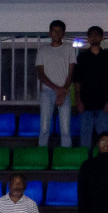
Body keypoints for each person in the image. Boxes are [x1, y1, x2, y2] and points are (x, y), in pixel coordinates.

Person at [73, 27, 108, 147]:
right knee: (85, 137)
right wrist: (78, 101)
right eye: (91, 35)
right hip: (85, 103)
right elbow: (77, 81)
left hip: (103, 103)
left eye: (97, 35)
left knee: (104, 137)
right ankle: (86, 163)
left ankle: (103, 163)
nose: (94, 37)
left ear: (101, 37)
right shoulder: (81, 58)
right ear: (88, 38)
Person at [35, 19, 74, 147]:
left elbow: (71, 73)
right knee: (44, 128)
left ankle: (66, 159)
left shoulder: (69, 49)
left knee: (66, 130)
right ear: (50, 33)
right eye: (54, 31)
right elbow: (40, 74)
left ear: (63, 34)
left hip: (65, 91)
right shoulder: (43, 50)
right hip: (47, 92)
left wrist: (63, 90)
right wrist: (57, 89)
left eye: (60, 31)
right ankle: (42, 157)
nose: (57, 34)